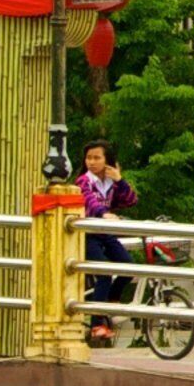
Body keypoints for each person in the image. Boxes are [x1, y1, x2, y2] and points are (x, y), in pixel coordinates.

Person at [76, 142, 140, 348]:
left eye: (97, 158)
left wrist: (120, 181)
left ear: (107, 160)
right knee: (104, 273)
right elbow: (89, 202)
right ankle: (97, 325)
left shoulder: (111, 182)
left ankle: (110, 302)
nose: (92, 162)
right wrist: (104, 214)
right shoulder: (83, 181)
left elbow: (131, 201)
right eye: (89, 158)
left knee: (128, 267)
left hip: (105, 232)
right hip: (88, 234)